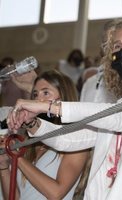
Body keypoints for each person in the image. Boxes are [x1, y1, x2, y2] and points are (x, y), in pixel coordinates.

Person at [7, 19, 122, 200]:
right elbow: (68, 139)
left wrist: (48, 106)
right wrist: (32, 122)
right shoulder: (118, 107)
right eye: (117, 46)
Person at [0, 70, 89, 200]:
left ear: (64, 96)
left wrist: (17, 157)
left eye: (46, 93)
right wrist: (3, 167)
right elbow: (16, 197)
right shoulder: (31, 141)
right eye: (35, 95)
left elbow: (56, 193)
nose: (38, 100)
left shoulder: (76, 140)